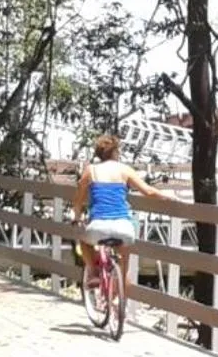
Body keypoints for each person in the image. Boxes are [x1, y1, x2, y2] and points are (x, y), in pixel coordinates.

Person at [72, 133, 167, 318]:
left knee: (84, 239)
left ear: (99, 153)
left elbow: (78, 201)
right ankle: (118, 297)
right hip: (124, 226)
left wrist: (77, 217)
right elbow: (148, 191)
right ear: (116, 152)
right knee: (124, 263)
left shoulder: (90, 171)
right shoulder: (125, 170)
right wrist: (169, 197)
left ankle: (92, 272)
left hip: (98, 226)